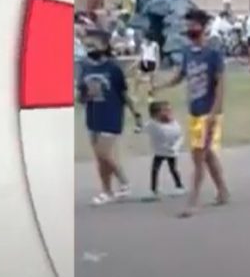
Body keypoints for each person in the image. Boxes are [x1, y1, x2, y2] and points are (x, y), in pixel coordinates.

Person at [152, 9, 230, 218]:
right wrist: (161, 86)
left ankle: (193, 201)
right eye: (188, 26)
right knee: (207, 154)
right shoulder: (187, 53)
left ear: (203, 28)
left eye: (194, 25)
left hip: (209, 112)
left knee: (198, 155)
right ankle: (223, 191)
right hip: (194, 112)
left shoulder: (213, 54)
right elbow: (179, 76)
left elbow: (221, 84)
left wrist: (214, 112)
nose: (189, 29)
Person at [78, 30, 143, 205]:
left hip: (111, 113)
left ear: (105, 46)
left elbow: (124, 93)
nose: (90, 48)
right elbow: (81, 96)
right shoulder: (85, 67)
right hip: (93, 115)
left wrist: (135, 114)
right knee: (100, 157)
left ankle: (124, 182)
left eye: (94, 44)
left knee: (104, 152)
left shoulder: (113, 69)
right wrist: (87, 95)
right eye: (88, 45)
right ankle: (106, 191)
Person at [145, 100, 185, 198]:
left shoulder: (174, 124)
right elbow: (145, 127)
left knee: (173, 169)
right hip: (159, 151)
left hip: (170, 152)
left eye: (168, 110)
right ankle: (153, 190)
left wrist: (175, 148)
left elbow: (180, 137)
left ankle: (179, 186)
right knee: (155, 169)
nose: (167, 113)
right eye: (164, 110)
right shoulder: (153, 124)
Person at [137, 34, 160, 99]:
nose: (144, 40)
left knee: (151, 82)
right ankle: (136, 95)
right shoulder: (142, 45)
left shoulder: (155, 45)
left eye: (145, 39)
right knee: (138, 79)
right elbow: (141, 55)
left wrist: (157, 66)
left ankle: (151, 96)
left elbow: (157, 56)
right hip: (144, 62)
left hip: (151, 62)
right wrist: (139, 62)